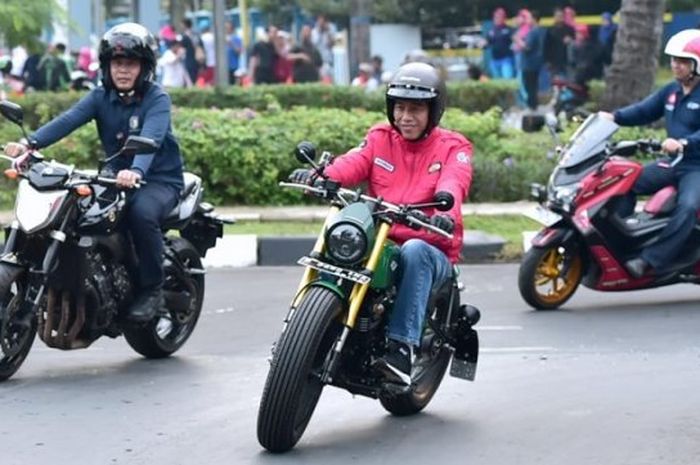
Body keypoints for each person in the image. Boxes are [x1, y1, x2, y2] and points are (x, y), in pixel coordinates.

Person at [290, 62, 473, 384]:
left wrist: (444, 212)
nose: (405, 117)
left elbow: (454, 181)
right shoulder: (379, 138)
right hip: (381, 241)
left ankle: (402, 349)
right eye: (400, 107)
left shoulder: (453, 147)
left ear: (434, 110)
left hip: (430, 247)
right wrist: (320, 176)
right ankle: (300, 333)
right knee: (344, 238)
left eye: (415, 109)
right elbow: (352, 162)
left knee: (414, 251)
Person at [4, 22, 185, 322]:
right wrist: (29, 144)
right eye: (117, 63)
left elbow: (151, 140)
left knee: (140, 214)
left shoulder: (157, 98)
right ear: (106, 66)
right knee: (77, 213)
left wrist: (136, 171)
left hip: (158, 180)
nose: (123, 70)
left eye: (131, 63)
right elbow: (68, 120)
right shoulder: (100, 97)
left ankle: (152, 289)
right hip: (115, 176)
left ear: (144, 67)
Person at [600, 30, 700, 278]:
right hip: (674, 163)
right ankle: (621, 243)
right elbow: (644, 110)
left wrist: (684, 142)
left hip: (696, 167)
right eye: (674, 60)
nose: (675, 65)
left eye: (683, 61)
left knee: (688, 207)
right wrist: (613, 117)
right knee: (625, 182)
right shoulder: (672, 92)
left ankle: (650, 261)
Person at [514, 10, 546, 111]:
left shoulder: (533, 32)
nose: (527, 20)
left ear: (534, 19)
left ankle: (531, 106)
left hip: (529, 64)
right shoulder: (540, 31)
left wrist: (518, 40)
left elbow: (527, 47)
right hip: (536, 63)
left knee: (529, 86)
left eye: (529, 18)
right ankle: (534, 105)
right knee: (533, 85)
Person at [544, 8, 574, 80]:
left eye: (561, 16)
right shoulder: (550, 30)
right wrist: (547, 61)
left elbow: (576, 41)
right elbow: (546, 46)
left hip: (566, 60)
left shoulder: (569, 29)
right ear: (554, 17)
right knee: (555, 82)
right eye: (557, 16)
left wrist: (571, 40)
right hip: (554, 61)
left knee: (568, 81)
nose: (559, 18)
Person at [485, 7, 515, 79]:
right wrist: (483, 43)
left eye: (499, 17)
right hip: (495, 60)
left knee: (507, 80)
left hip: (506, 59)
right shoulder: (491, 30)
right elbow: (487, 43)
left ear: (504, 18)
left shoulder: (509, 29)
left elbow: (514, 41)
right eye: (495, 17)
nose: (497, 19)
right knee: (497, 82)